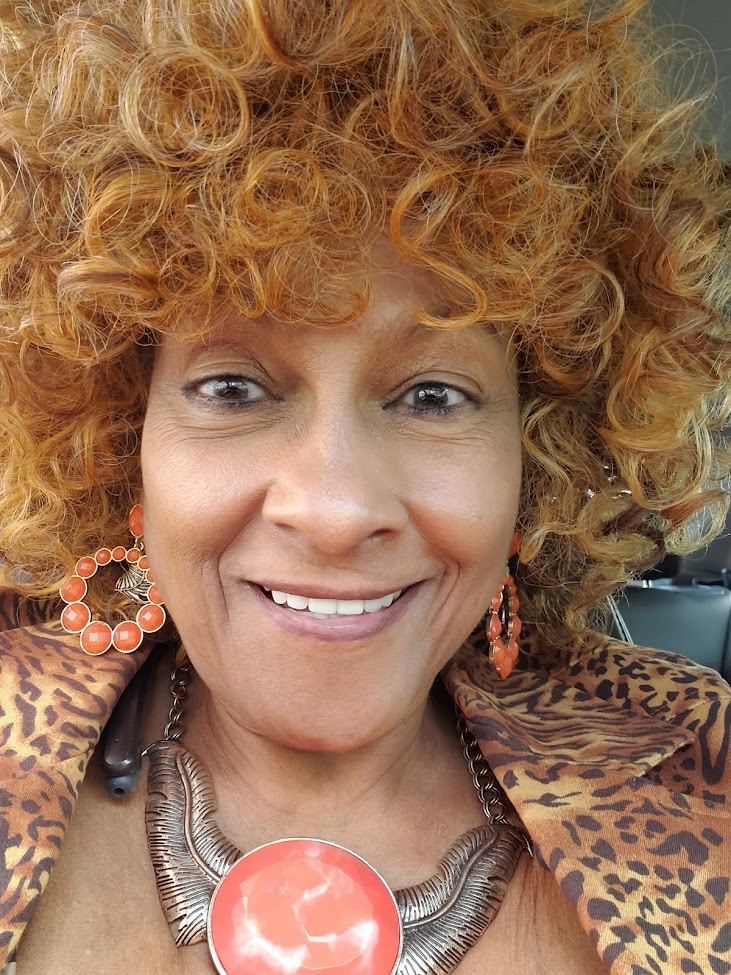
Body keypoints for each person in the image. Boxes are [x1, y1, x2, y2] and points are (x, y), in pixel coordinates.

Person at [0, 0, 728, 972]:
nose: (334, 511)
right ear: (123, 439)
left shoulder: (696, 771)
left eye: (431, 394)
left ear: (531, 449)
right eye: (231, 386)